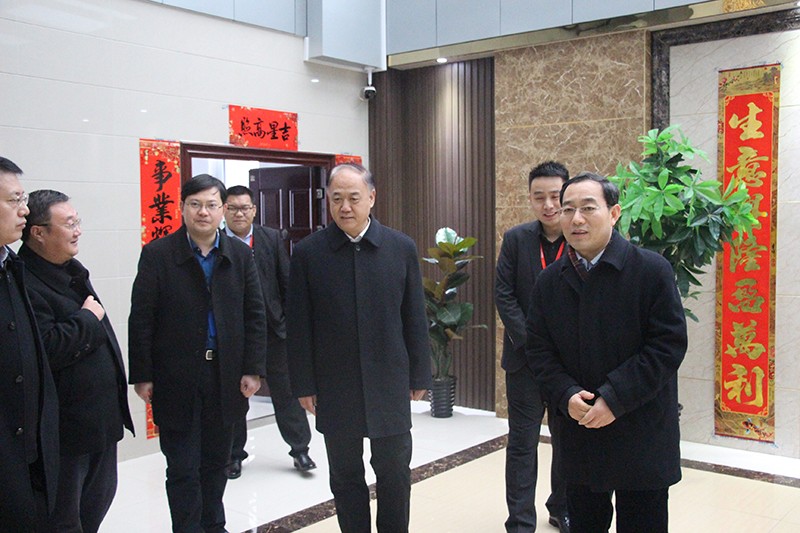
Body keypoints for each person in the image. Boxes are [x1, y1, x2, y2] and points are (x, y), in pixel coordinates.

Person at [526, 172, 687, 533]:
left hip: (641, 429)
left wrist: (614, 398)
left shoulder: (651, 271)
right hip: (580, 429)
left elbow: (667, 345)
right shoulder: (549, 282)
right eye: (568, 210)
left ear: (614, 213)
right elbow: (539, 350)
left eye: (588, 208)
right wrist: (565, 394)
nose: (576, 219)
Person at [286, 163, 432, 533]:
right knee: (345, 475)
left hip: (389, 379)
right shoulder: (309, 253)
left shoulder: (400, 247)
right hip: (334, 383)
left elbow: (414, 316)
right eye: (336, 199)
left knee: (394, 472)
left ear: (371, 197)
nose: (345, 207)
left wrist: (420, 373)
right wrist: (303, 383)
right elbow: (299, 325)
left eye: (353, 198)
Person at [128, 174, 267, 533]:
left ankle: (214, 525)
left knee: (217, 462)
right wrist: (142, 374)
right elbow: (141, 318)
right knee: (182, 467)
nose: (203, 212)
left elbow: (255, 314)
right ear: (182, 208)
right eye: (195, 204)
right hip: (175, 376)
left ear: (222, 209)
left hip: (226, 375)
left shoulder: (240, 254)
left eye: (211, 205)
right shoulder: (158, 254)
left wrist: (253, 368)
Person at [18, 189, 134, 532]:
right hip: (66, 432)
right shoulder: (24, 281)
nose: (78, 231)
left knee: (96, 504)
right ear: (38, 232)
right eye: (69, 224)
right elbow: (46, 348)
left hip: (100, 423)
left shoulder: (70, 270)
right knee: (65, 518)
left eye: (77, 221)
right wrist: (86, 319)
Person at [495, 161, 570, 533]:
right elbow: (504, 294)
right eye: (539, 197)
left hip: (570, 365)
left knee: (567, 441)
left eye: (555, 196)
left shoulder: (580, 236)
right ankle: (521, 520)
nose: (548, 205)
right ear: (530, 198)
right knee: (522, 444)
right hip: (524, 363)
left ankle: (562, 508)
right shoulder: (516, 239)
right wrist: (533, 343)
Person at [222, 185, 315, 479]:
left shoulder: (270, 238)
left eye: (244, 208)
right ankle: (233, 455)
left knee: (287, 393)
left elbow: (286, 281)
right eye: (232, 208)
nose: (239, 213)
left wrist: (288, 322)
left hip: (274, 330)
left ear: (254, 210)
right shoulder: (217, 241)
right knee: (236, 396)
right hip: (235, 335)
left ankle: (300, 450)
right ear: (224, 210)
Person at [0, 158, 60, 532]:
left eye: (23, 199)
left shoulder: (11, 266)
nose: (24, 209)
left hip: (28, 449)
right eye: (14, 200)